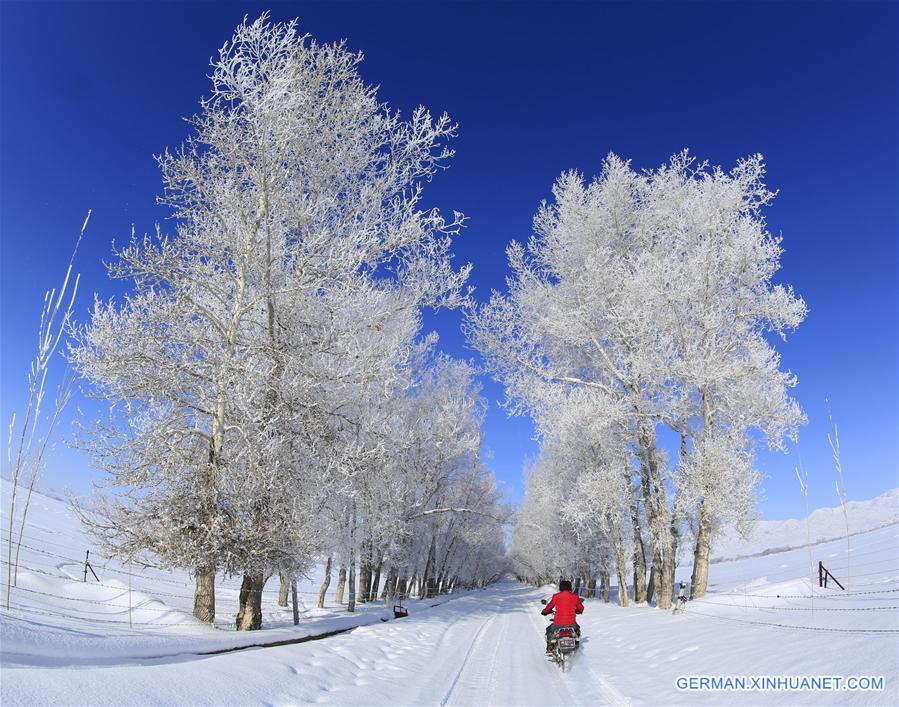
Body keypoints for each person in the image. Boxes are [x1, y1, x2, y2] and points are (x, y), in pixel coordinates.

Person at [541, 579, 584, 655]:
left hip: (558, 624)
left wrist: (545, 612)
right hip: (572, 624)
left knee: (549, 631)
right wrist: (578, 611)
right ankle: (576, 644)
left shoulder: (556, 596)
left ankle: (550, 648)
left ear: (560, 587)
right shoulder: (575, 596)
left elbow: (549, 607)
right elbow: (581, 608)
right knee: (577, 630)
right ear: (570, 587)